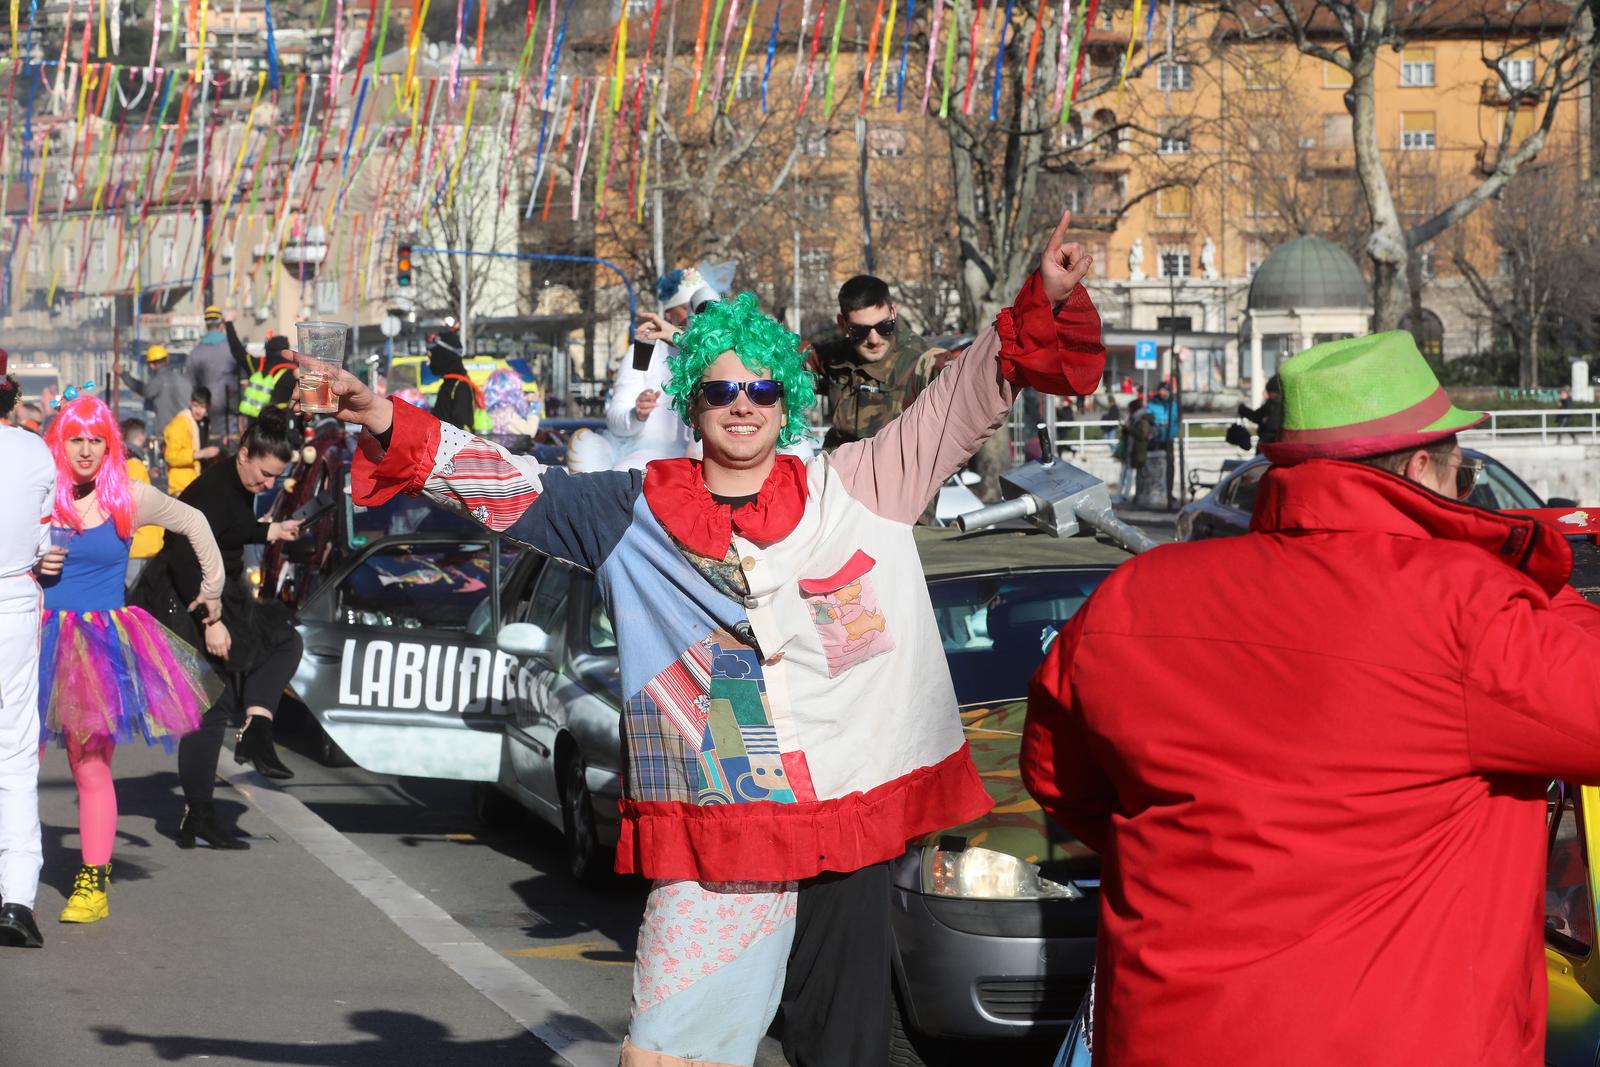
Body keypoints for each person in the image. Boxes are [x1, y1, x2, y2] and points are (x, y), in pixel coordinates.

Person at [312, 207, 1105, 1067]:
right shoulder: (632, 509)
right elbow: (508, 488)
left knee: (846, 1052)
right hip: (724, 823)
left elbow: (958, 403)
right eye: (721, 388)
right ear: (693, 399)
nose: (742, 405)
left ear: (786, 401)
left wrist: (1042, 298)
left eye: (762, 388)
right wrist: (390, 422)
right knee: (673, 1050)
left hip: (850, 817)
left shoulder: (860, 483)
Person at [1021, 330, 1600, 1066]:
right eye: (1465, 475)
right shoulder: (1468, 610)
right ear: (1422, 467)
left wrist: (1219, 854)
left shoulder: (1133, 598)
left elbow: (1057, 779)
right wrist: (1543, 579)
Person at [38, 395, 223, 924]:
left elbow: (194, 522)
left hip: (94, 645)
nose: (87, 450)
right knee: (15, 762)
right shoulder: (41, 492)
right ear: (61, 440)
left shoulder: (129, 495)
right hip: (32, 637)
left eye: (97, 439)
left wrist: (214, 588)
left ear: (110, 443)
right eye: (77, 438)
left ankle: (92, 884)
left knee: (89, 766)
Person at [135, 410, 305, 847]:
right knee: (209, 706)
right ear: (244, 454)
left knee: (282, 640)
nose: (267, 485)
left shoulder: (237, 481)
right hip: (182, 598)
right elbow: (183, 553)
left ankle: (255, 729)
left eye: (275, 478)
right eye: (265, 474)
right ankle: (202, 810)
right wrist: (211, 622)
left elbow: (232, 527)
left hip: (214, 593)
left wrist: (271, 530)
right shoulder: (212, 489)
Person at [0, 353, 56, 948]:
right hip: (13, 599)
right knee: (14, 757)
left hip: (15, 593)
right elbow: (47, 540)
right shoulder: (35, 452)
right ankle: (17, 898)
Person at [806, 275, 948, 449]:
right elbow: (786, 359)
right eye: (860, 330)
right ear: (843, 324)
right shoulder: (836, 356)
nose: (874, 339)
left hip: (898, 471)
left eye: (883, 326)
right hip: (839, 469)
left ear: (893, 313)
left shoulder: (926, 362)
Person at [606, 269, 720, 470]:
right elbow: (615, 422)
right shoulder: (644, 351)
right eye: (687, 308)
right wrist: (637, 414)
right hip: (649, 460)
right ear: (669, 313)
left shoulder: (720, 354)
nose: (696, 318)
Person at [187, 306, 249, 443]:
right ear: (221, 325)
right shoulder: (234, 350)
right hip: (232, 418)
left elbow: (191, 388)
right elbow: (245, 383)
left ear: (206, 325)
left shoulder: (195, 353)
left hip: (208, 420)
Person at [121, 418, 165, 588]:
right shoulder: (134, 464)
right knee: (136, 593)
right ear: (140, 436)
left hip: (138, 543)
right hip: (142, 542)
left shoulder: (127, 462)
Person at [118, 343, 192, 436]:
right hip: (186, 430)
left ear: (152, 365)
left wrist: (124, 375)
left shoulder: (158, 381)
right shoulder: (184, 381)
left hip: (167, 432)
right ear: (167, 360)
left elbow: (145, 390)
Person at [163, 386, 219, 496]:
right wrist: (199, 454)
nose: (198, 411)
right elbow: (171, 457)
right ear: (190, 403)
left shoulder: (205, 423)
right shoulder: (179, 424)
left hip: (196, 484)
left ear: (208, 407)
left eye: (202, 407)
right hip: (181, 487)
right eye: (195, 406)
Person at [425, 329, 483, 432]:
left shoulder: (460, 386)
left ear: (444, 356)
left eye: (433, 356)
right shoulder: (449, 384)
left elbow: (462, 431)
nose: (429, 363)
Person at [239, 335, 298, 420]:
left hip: (254, 420)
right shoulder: (294, 370)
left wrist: (228, 324)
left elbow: (237, 351)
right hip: (280, 420)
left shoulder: (258, 364)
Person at [1114, 398, 1151, 503]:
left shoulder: (1142, 419)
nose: (1128, 411)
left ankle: (1125, 495)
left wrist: (1129, 428)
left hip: (1136, 451)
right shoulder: (1133, 418)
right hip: (1129, 450)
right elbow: (1128, 434)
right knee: (1123, 473)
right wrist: (1125, 428)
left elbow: (1141, 435)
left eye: (1129, 409)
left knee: (1130, 474)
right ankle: (1119, 494)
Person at [1237, 373, 1284, 451]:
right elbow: (1257, 416)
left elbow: (1268, 423)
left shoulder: (1275, 405)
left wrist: (1244, 411)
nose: (1268, 394)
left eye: (1270, 392)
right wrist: (1244, 410)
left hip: (1269, 445)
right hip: (1268, 445)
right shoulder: (1271, 404)